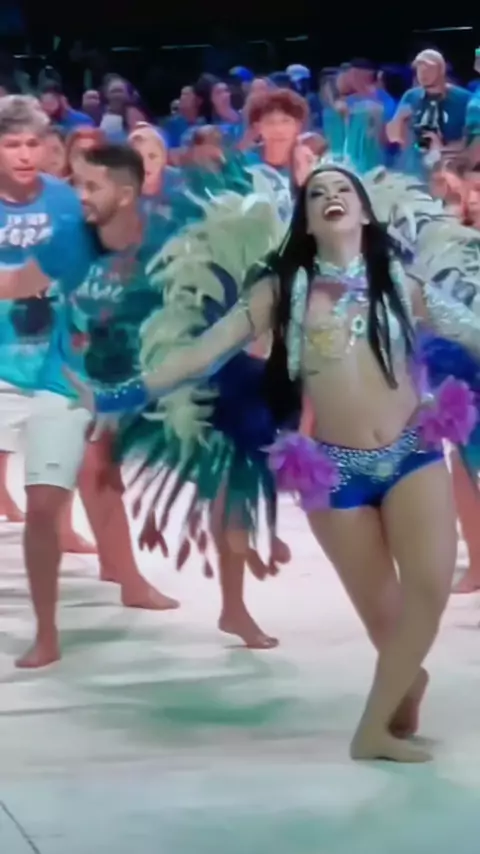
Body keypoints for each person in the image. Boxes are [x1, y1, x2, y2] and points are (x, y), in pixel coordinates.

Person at [70, 162, 480, 761]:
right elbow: (201, 355)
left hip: (413, 453)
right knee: (386, 619)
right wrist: (115, 396)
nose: (331, 195)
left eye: (343, 189)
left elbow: (472, 329)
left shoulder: (400, 280)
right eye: (318, 193)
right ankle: (405, 680)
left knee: (427, 593)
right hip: (334, 473)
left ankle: (371, 732)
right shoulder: (281, 292)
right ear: (306, 221)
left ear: (364, 211)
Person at [0, 100, 177, 668]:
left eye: (32, 143)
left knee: (98, 476)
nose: (24, 154)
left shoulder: (71, 203)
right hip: (19, 368)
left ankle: (124, 578)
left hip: (72, 370)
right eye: (11, 144)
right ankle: (51, 622)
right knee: (47, 496)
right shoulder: (73, 213)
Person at [387, 49, 470, 175]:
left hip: (450, 172)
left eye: (429, 69)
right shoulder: (411, 96)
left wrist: (442, 150)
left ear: (441, 70)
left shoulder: (464, 99)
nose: (423, 74)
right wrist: (399, 121)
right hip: (413, 170)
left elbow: (472, 140)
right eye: (419, 69)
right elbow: (394, 137)